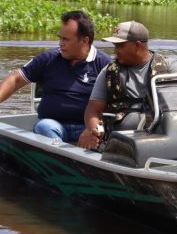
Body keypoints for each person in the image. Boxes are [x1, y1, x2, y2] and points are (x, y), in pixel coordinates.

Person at [0, 11, 111, 142]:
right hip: (53, 126)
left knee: (103, 136)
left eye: (66, 39)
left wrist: (92, 130)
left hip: (86, 127)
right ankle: (60, 155)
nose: (60, 44)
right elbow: (15, 79)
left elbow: (114, 106)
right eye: (60, 38)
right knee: (44, 126)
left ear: (85, 41)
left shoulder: (103, 63)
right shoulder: (48, 58)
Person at [77, 20, 177, 149]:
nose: (115, 51)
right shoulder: (109, 71)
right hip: (118, 145)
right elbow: (93, 111)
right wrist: (93, 130)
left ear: (137, 45)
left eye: (120, 46)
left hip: (161, 141)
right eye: (115, 46)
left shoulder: (170, 68)